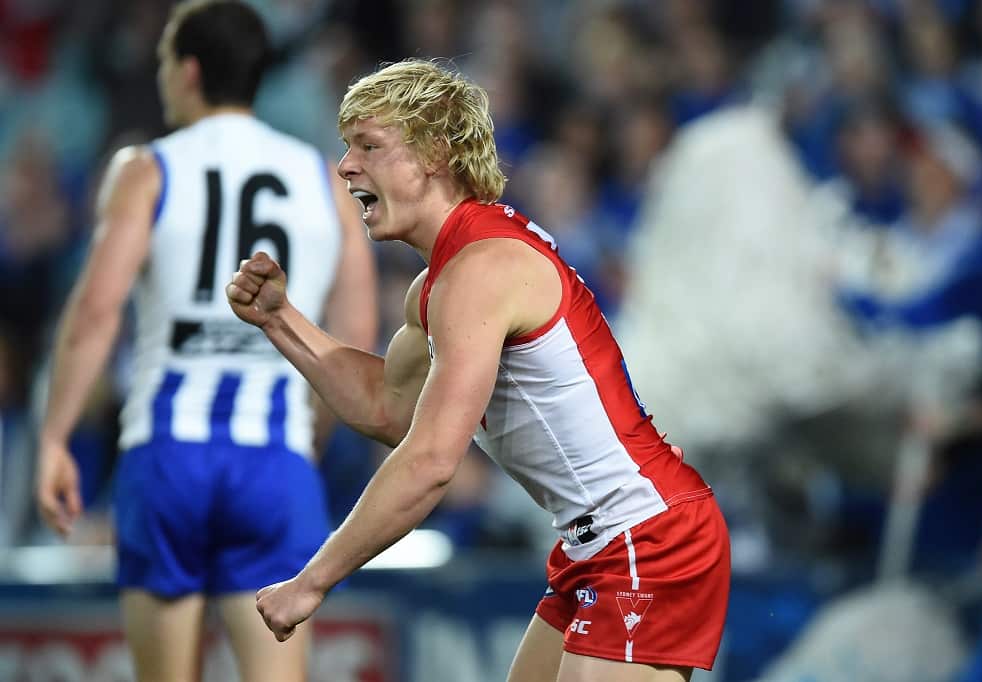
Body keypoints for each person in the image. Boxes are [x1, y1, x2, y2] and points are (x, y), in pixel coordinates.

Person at [227, 58, 730, 682]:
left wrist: (312, 581)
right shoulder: (441, 283)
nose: (345, 165)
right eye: (346, 147)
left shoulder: (479, 273)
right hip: (600, 545)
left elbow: (432, 462)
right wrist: (279, 320)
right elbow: (388, 407)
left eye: (369, 146)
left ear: (434, 153)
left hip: (649, 540)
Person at [34, 1, 378, 680]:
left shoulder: (147, 168)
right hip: (273, 459)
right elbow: (357, 331)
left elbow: (97, 310)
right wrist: (306, 441)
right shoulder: (321, 179)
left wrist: (54, 438)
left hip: (166, 454)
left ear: (188, 71)